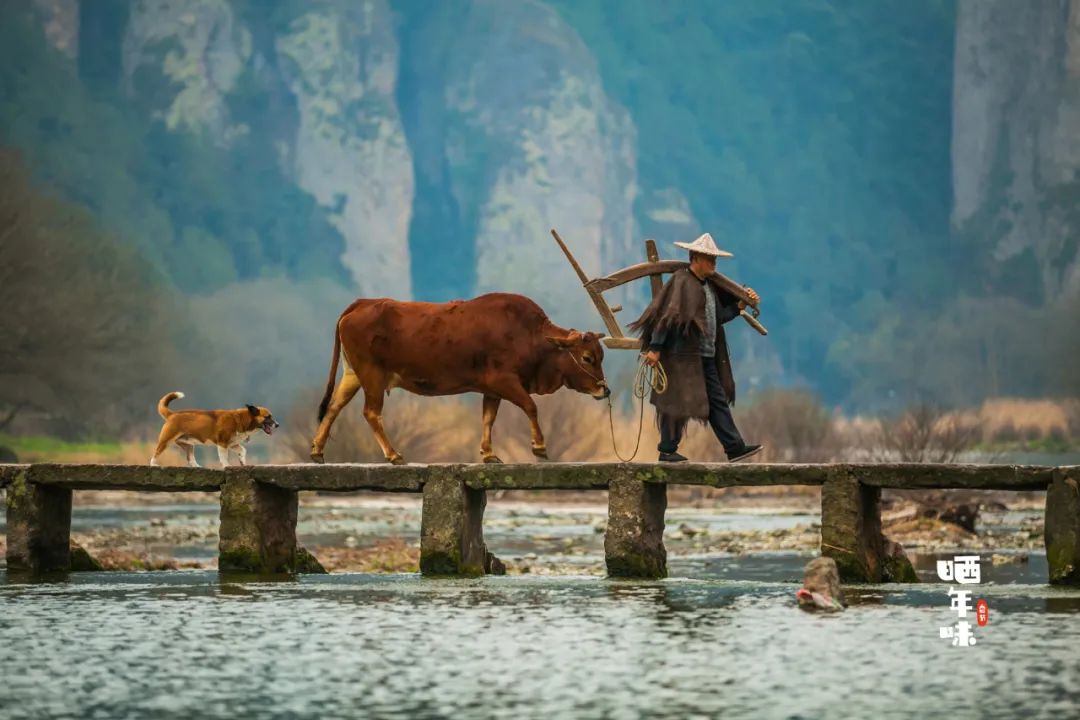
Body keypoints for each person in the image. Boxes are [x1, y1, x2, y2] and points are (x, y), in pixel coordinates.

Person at [628, 232, 763, 463]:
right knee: (674, 401)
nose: (714, 263)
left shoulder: (708, 287)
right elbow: (666, 318)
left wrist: (740, 304)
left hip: (706, 356)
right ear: (696, 258)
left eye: (714, 258)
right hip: (681, 356)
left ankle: (734, 447)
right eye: (709, 258)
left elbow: (718, 317)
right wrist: (656, 348)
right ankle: (667, 451)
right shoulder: (682, 282)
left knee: (716, 401)